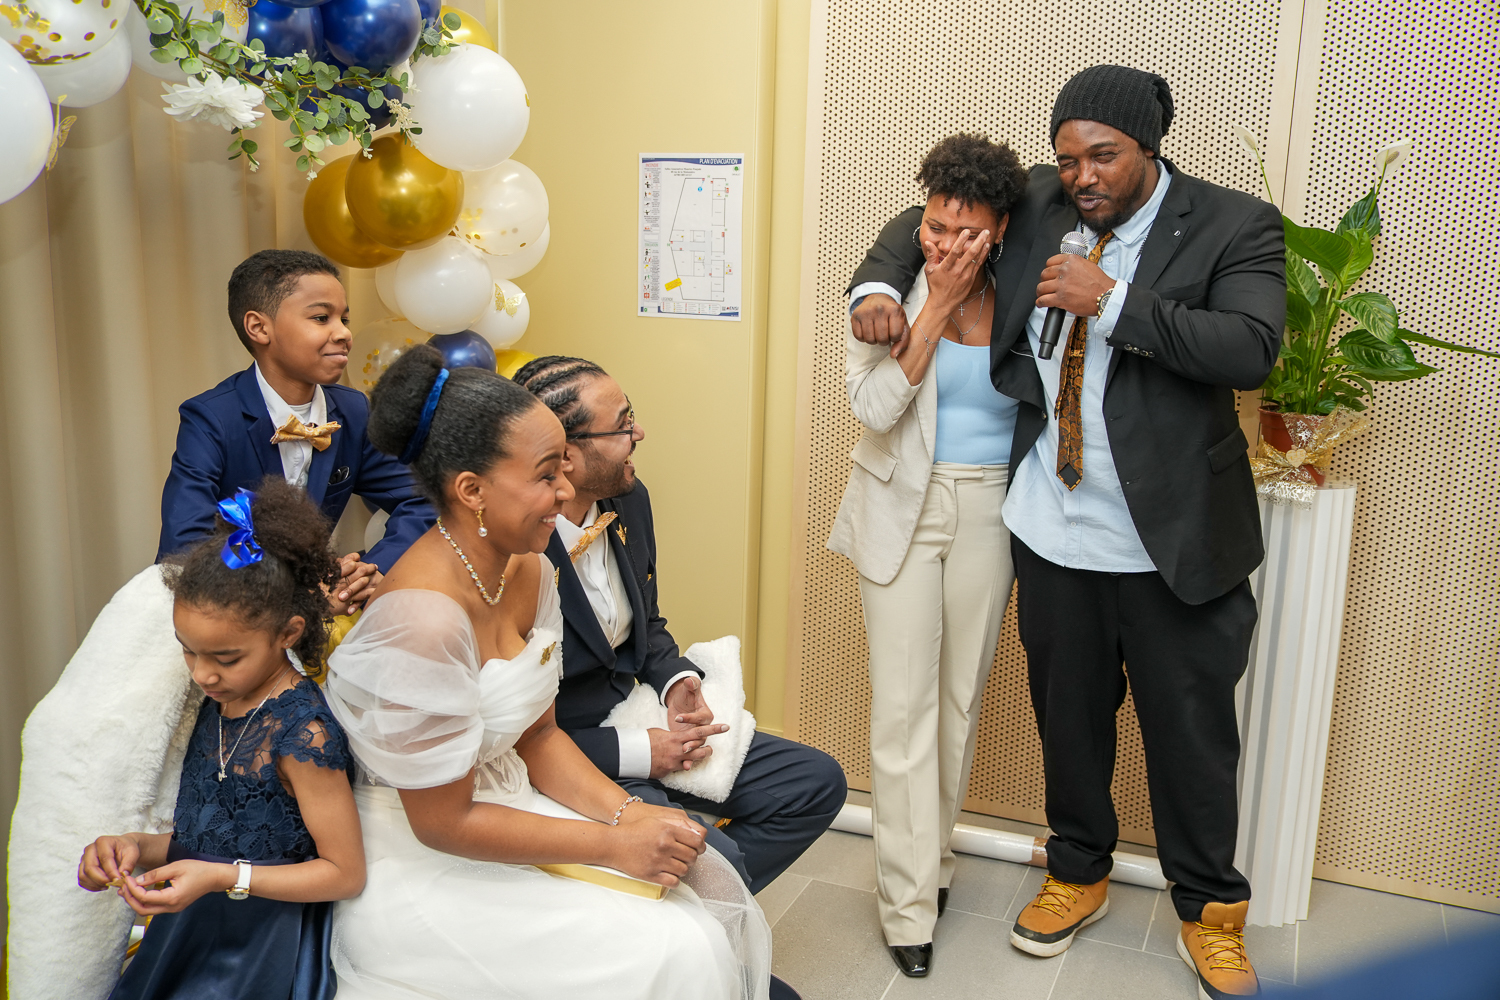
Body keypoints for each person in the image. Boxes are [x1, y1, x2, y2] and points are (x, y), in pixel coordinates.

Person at [847, 65, 1285, 1000]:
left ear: (1148, 147)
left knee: (1190, 736)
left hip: (1174, 539)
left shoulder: (1232, 223)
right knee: (1070, 724)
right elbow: (926, 218)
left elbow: (1250, 350)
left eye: (1103, 156)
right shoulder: (1045, 201)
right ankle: (1078, 871)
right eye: (1068, 157)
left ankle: (1211, 911)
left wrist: (1111, 300)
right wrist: (875, 286)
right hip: (1050, 528)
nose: (1083, 175)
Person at [321, 345, 770, 1000]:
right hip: (425, 857)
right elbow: (442, 822)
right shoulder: (422, 621)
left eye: (564, 467)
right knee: (669, 950)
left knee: (704, 897)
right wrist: (613, 846)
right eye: (545, 475)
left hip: (509, 801)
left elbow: (539, 736)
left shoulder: (529, 569)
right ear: (471, 490)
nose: (565, 492)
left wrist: (626, 816)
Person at [514, 355, 848, 899]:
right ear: (565, 455)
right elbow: (520, 737)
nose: (639, 433)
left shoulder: (630, 500)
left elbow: (647, 622)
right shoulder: (517, 546)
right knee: (710, 861)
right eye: (623, 425)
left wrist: (675, 681)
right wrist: (641, 751)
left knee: (814, 783)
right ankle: (698, 900)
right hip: (573, 755)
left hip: (642, 713)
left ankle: (694, 901)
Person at [829, 133, 1028, 978]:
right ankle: (906, 908)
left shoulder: (1026, 288)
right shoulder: (885, 295)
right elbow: (876, 409)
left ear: (1001, 230)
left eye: (967, 233)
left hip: (993, 508)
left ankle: (932, 863)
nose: (947, 246)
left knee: (958, 703)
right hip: (900, 505)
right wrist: (935, 308)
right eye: (936, 228)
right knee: (903, 709)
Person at [77, 477, 365, 1000]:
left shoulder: (305, 733)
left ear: (289, 633)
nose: (202, 674)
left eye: (226, 658)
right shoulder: (217, 704)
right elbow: (207, 842)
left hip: (260, 950)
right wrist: (135, 846)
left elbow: (344, 874)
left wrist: (220, 879)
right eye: (188, 651)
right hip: (189, 931)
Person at [158, 249, 434, 613]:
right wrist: (297, 596)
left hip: (318, 611)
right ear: (259, 328)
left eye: (344, 319)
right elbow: (185, 545)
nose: (344, 333)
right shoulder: (212, 418)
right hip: (230, 611)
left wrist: (369, 572)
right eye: (321, 318)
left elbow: (423, 499)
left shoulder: (352, 411)